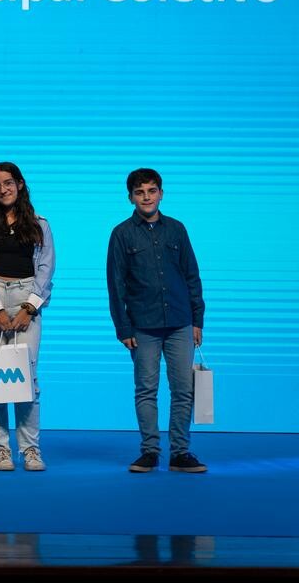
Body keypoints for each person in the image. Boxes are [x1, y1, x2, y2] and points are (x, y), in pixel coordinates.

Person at [107, 168, 207, 474]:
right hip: (142, 327)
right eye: (139, 192)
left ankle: (180, 453)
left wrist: (197, 319)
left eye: (151, 191)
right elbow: (116, 285)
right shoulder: (121, 234)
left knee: (183, 390)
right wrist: (123, 328)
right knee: (146, 390)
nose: (146, 197)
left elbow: (191, 275)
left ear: (161, 194)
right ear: (130, 198)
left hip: (180, 322)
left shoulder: (177, 229)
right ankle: (149, 451)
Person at [0, 162, 54, 473]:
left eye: (8, 183)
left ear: (19, 184)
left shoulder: (39, 223)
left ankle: (30, 450)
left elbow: (46, 269)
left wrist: (29, 308)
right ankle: (1, 450)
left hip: (25, 299)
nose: (3, 189)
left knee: (26, 378)